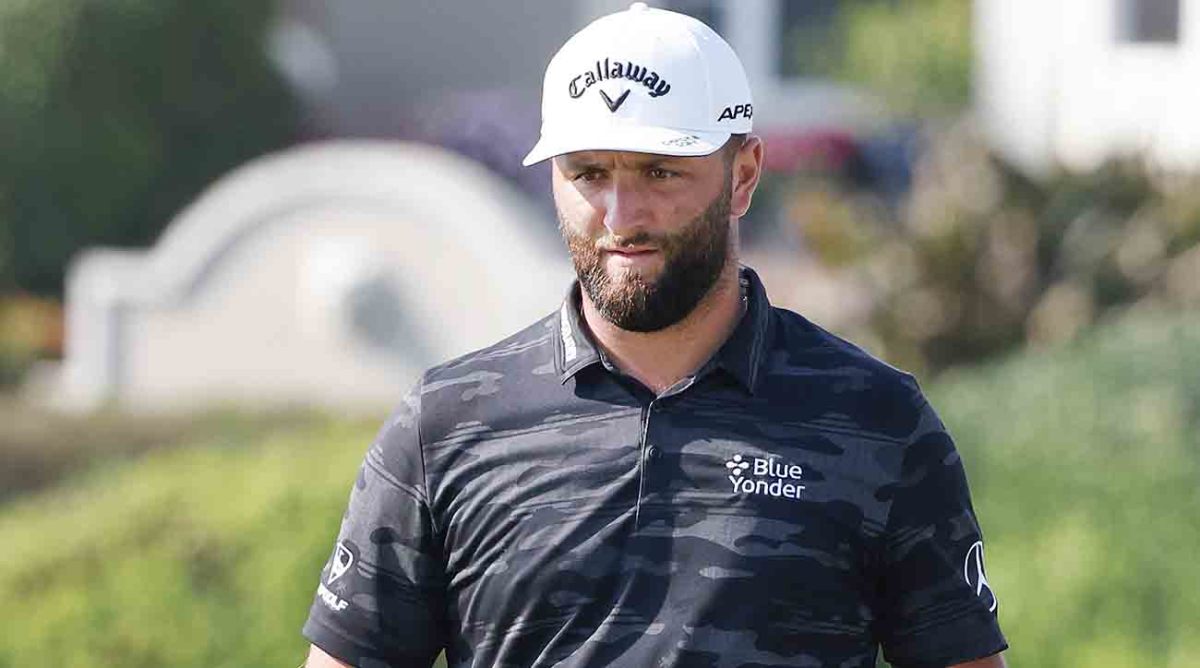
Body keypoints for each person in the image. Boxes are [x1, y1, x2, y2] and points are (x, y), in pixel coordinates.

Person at [303, 4, 1008, 667]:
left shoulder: (877, 421)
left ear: (744, 175)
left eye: (660, 171)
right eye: (588, 173)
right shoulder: (445, 423)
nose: (620, 213)